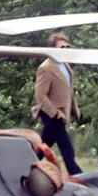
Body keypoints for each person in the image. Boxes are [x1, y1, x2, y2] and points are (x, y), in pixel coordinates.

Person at [32, 32, 82, 174]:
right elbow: (40, 94)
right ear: (52, 48)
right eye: (61, 47)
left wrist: (73, 110)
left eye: (67, 46)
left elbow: (68, 90)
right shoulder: (46, 68)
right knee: (67, 150)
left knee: (43, 147)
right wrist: (54, 113)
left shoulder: (65, 65)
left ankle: (24, 168)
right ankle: (81, 177)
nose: (65, 49)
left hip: (62, 114)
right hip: (52, 114)